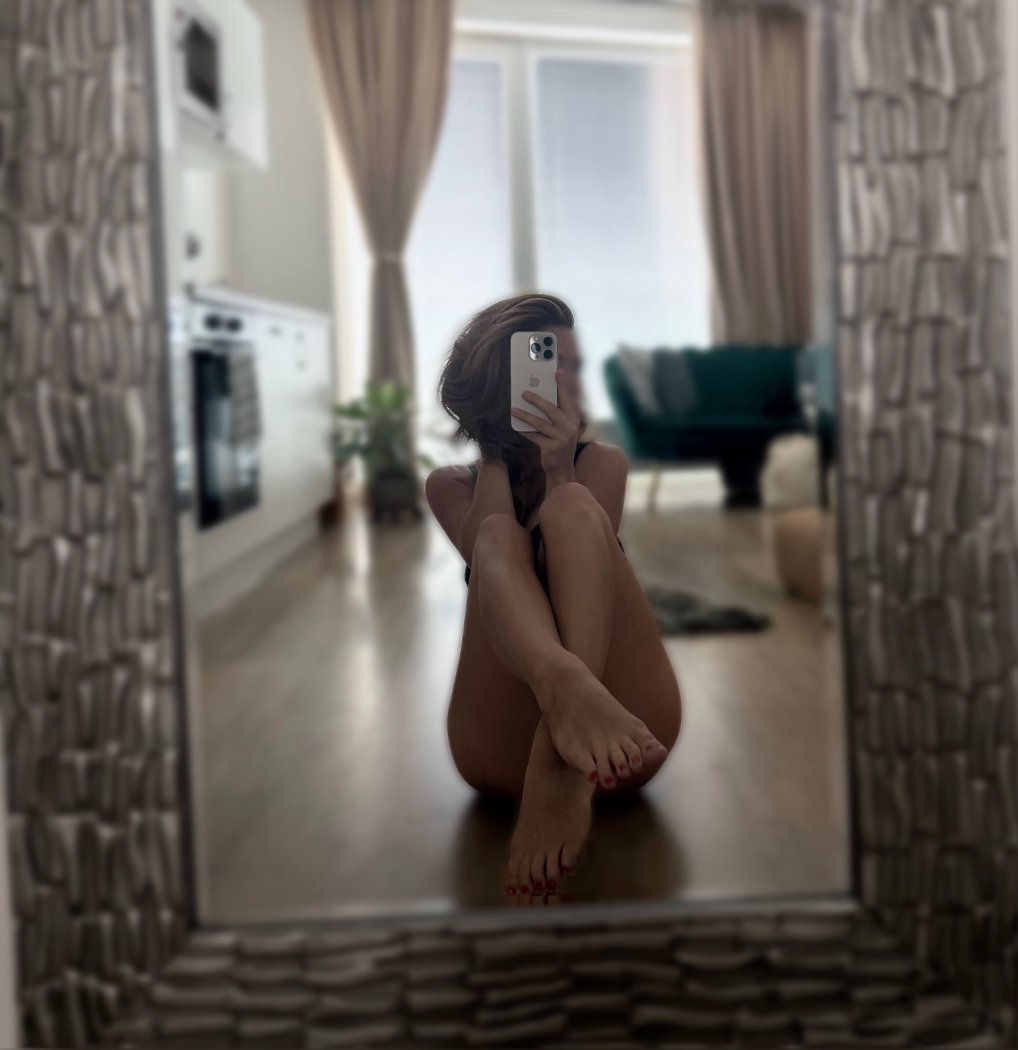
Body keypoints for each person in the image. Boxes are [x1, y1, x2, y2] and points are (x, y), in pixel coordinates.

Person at [425, 293, 682, 900]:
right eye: (548, 363)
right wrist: (496, 450)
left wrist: (560, 469)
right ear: (500, 378)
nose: (566, 380)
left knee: (570, 505)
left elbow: (577, 560)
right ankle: (561, 712)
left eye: (572, 365)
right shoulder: (449, 485)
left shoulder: (603, 464)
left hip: (623, 739)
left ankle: (558, 760)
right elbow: (485, 553)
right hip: (500, 754)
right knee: (496, 536)